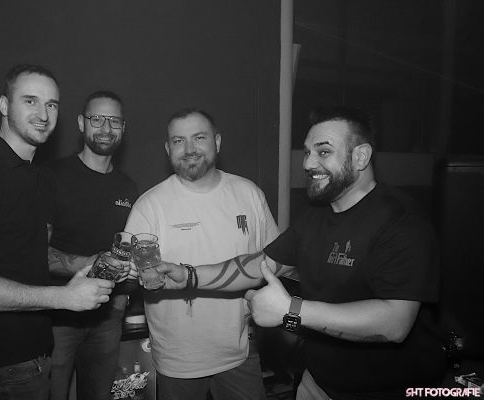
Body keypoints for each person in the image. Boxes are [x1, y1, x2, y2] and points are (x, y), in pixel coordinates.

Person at [156, 106, 446, 399]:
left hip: (387, 391)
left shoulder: (401, 221)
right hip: (317, 384)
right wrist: (189, 275)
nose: (308, 163)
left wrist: (291, 311)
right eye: (307, 152)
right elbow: (262, 264)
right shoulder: (314, 215)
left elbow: (395, 323)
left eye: (323, 152)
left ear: (361, 156)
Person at [0, 64, 116, 400]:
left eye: (52, 104)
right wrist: (62, 298)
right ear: (4, 105)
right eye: (30, 101)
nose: (43, 114)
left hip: (34, 353)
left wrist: (88, 265)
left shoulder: (39, 177)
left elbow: (31, 256)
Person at [125, 108, 279, 400]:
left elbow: (274, 262)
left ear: (217, 142)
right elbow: (132, 276)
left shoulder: (249, 194)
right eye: (179, 141)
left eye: (199, 138)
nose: (189, 149)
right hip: (177, 360)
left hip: (239, 353)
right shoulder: (149, 206)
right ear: (168, 149)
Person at [44, 91, 139, 400]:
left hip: (106, 318)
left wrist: (122, 298)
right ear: (81, 123)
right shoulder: (52, 176)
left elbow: (126, 255)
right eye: (97, 119)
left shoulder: (128, 188)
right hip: (58, 317)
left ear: (123, 128)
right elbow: (33, 254)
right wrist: (89, 262)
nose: (106, 128)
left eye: (114, 121)